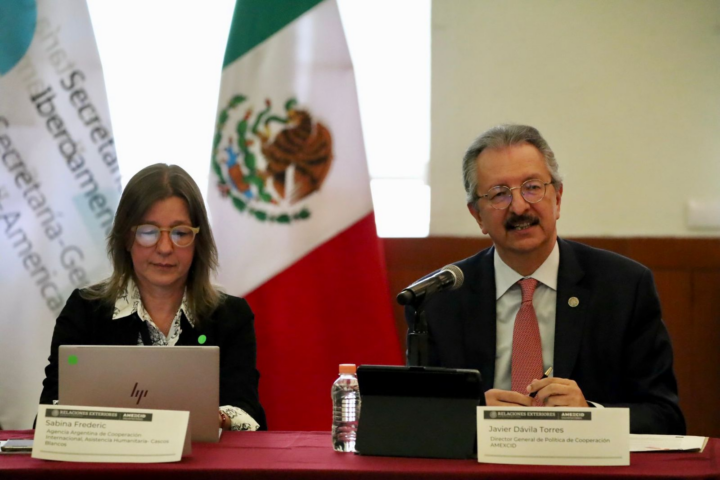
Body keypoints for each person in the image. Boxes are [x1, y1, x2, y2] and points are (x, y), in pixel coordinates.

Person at [412, 124, 685, 435]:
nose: (519, 207)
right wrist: (471, 415)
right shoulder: (440, 299)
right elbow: (417, 418)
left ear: (558, 198)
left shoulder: (624, 287)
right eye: (499, 194)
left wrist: (589, 414)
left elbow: (665, 416)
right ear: (477, 216)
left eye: (532, 187)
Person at [39, 164, 266, 431]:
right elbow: (48, 413)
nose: (165, 248)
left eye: (180, 233)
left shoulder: (231, 316)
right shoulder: (85, 311)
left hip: (200, 456)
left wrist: (215, 418)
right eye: (148, 232)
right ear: (126, 238)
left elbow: (247, 413)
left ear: (198, 240)